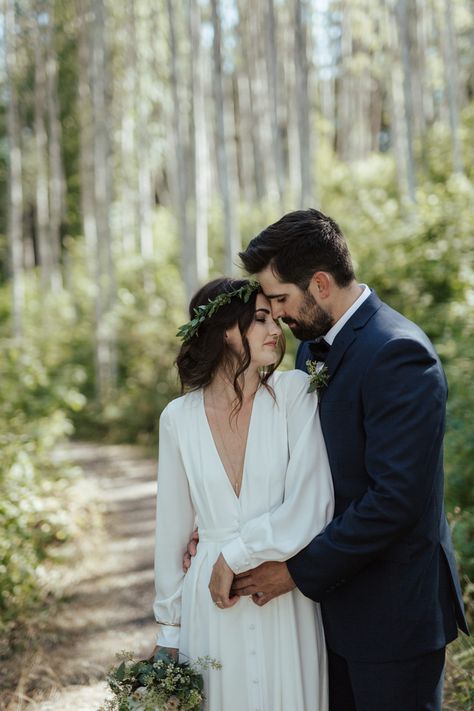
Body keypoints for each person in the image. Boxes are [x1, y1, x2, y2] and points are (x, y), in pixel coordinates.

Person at [230, 208, 469, 711]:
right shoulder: (309, 350)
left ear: (319, 283)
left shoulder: (399, 354)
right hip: (329, 609)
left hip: (392, 614)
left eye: (279, 298)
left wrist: (295, 571)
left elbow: (393, 501)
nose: (275, 315)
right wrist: (225, 529)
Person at [153, 277, 334, 711]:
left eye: (275, 317)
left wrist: (234, 554)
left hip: (283, 597)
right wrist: (169, 631)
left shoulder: (294, 394)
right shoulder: (178, 418)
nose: (276, 328)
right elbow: (171, 533)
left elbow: (313, 503)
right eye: (259, 319)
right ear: (221, 331)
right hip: (211, 607)